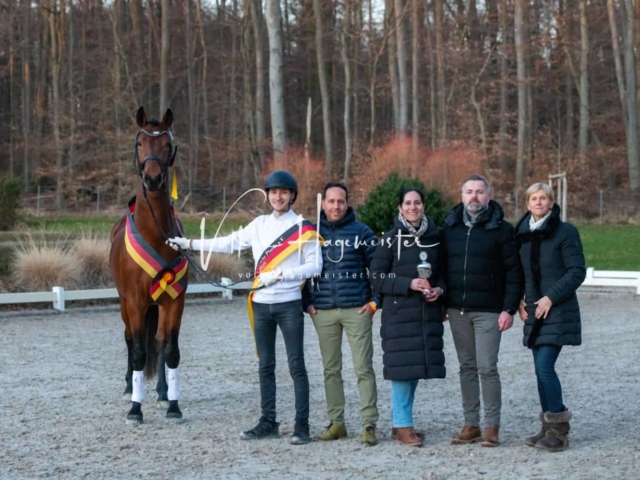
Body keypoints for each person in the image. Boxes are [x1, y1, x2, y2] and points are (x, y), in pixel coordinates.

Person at [166, 170, 322, 445]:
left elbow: (315, 266)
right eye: (274, 192)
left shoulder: (302, 227)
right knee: (265, 367)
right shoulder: (258, 224)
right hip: (261, 305)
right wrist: (188, 244)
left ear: (292, 196)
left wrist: (283, 275)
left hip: (288, 305)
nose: (278, 196)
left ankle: (302, 426)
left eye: (284, 192)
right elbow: (228, 243)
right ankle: (268, 421)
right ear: (268, 195)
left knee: (296, 366)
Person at [440, 174, 522, 447]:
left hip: (489, 310)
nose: (474, 197)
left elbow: (513, 272)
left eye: (479, 192)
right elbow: (441, 269)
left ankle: (492, 427)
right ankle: (471, 423)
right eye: (469, 192)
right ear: (461, 195)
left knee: (487, 367)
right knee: (466, 367)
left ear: (488, 195)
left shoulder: (502, 230)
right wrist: (442, 303)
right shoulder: (449, 228)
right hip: (456, 309)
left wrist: (509, 308)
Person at [303, 182, 379, 446]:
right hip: (322, 311)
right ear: (323, 203)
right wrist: (307, 302)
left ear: (347, 203)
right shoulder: (311, 233)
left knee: (363, 368)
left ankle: (369, 424)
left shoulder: (362, 232)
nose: (336, 206)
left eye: (341, 201)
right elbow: (298, 267)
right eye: (331, 201)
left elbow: (380, 265)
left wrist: (375, 301)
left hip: (356, 309)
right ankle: (337, 423)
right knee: (330, 369)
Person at [369, 188, 446, 447]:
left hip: (426, 314)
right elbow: (377, 277)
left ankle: (401, 422)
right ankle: (402, 425)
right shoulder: (389, 240)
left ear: (423, 206)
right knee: (402, 371)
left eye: (417, 202)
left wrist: (439, 289)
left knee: (413, 370)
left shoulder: (435, 238)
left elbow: (444, 274)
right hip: (399, 315)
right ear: (400, 208)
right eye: (408, 203)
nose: (413, 207)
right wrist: (408, 283)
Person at [515, 183, 585, 452]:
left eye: (543, 198)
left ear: (551, 202)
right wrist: (517, 300)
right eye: (534, 198)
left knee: (545, 367)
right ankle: (547, 427)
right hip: (533, 311)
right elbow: (519, 273)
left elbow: (576, 271)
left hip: (557, 309)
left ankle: (559, 430)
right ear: (527, 203)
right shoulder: (521, 234)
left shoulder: (566, 232)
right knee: (539, 371)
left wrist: (551, 297)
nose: (539, 202)